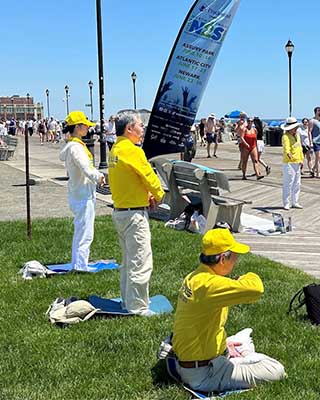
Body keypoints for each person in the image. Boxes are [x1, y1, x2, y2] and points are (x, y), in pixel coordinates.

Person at [172, 228, 286, 392]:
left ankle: (234, 351)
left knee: (241, 339)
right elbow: (256, 289)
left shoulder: (196, 277)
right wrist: (245, 277)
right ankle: (246, 355)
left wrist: (224, 347)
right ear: (222, 259)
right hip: (204, 374)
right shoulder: (210, 285)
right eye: (234, 255)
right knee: (275, 369)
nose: (237, 260)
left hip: (194, 360)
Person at [108, 111, 164, 316]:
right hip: (134, 215)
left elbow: (131, 178)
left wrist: (145, 193)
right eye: (140, 125)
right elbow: (147, 174)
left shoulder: (116, 149)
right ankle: (138, 307)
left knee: (128, 261)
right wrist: (158, 195)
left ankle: (127, 301)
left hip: (121, 211)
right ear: (129, 128)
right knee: (140, 261)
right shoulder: (133, 151)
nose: (143, 129)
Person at [59, 111, 105, 272]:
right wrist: (99, 177)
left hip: (80, 192)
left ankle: (78, 262)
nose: (88, 128)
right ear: (77, 127)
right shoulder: (76, 148)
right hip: (83, 194)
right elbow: (86, 168)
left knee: (82, 229)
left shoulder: (74, 146)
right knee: (85, 231)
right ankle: (80, 265)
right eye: (85, 125)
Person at [281, 117, 304, 210]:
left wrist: (301, 159)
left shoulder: (297, 136)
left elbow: (300, 148)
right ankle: (286, 202)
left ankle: (295, 201)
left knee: (297, 183)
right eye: (294, 128)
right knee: (288, 183)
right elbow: (287, 149)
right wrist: (290, 155)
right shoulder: (285, 136)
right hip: (289, 163)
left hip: (297, 161)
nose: (296, 129)